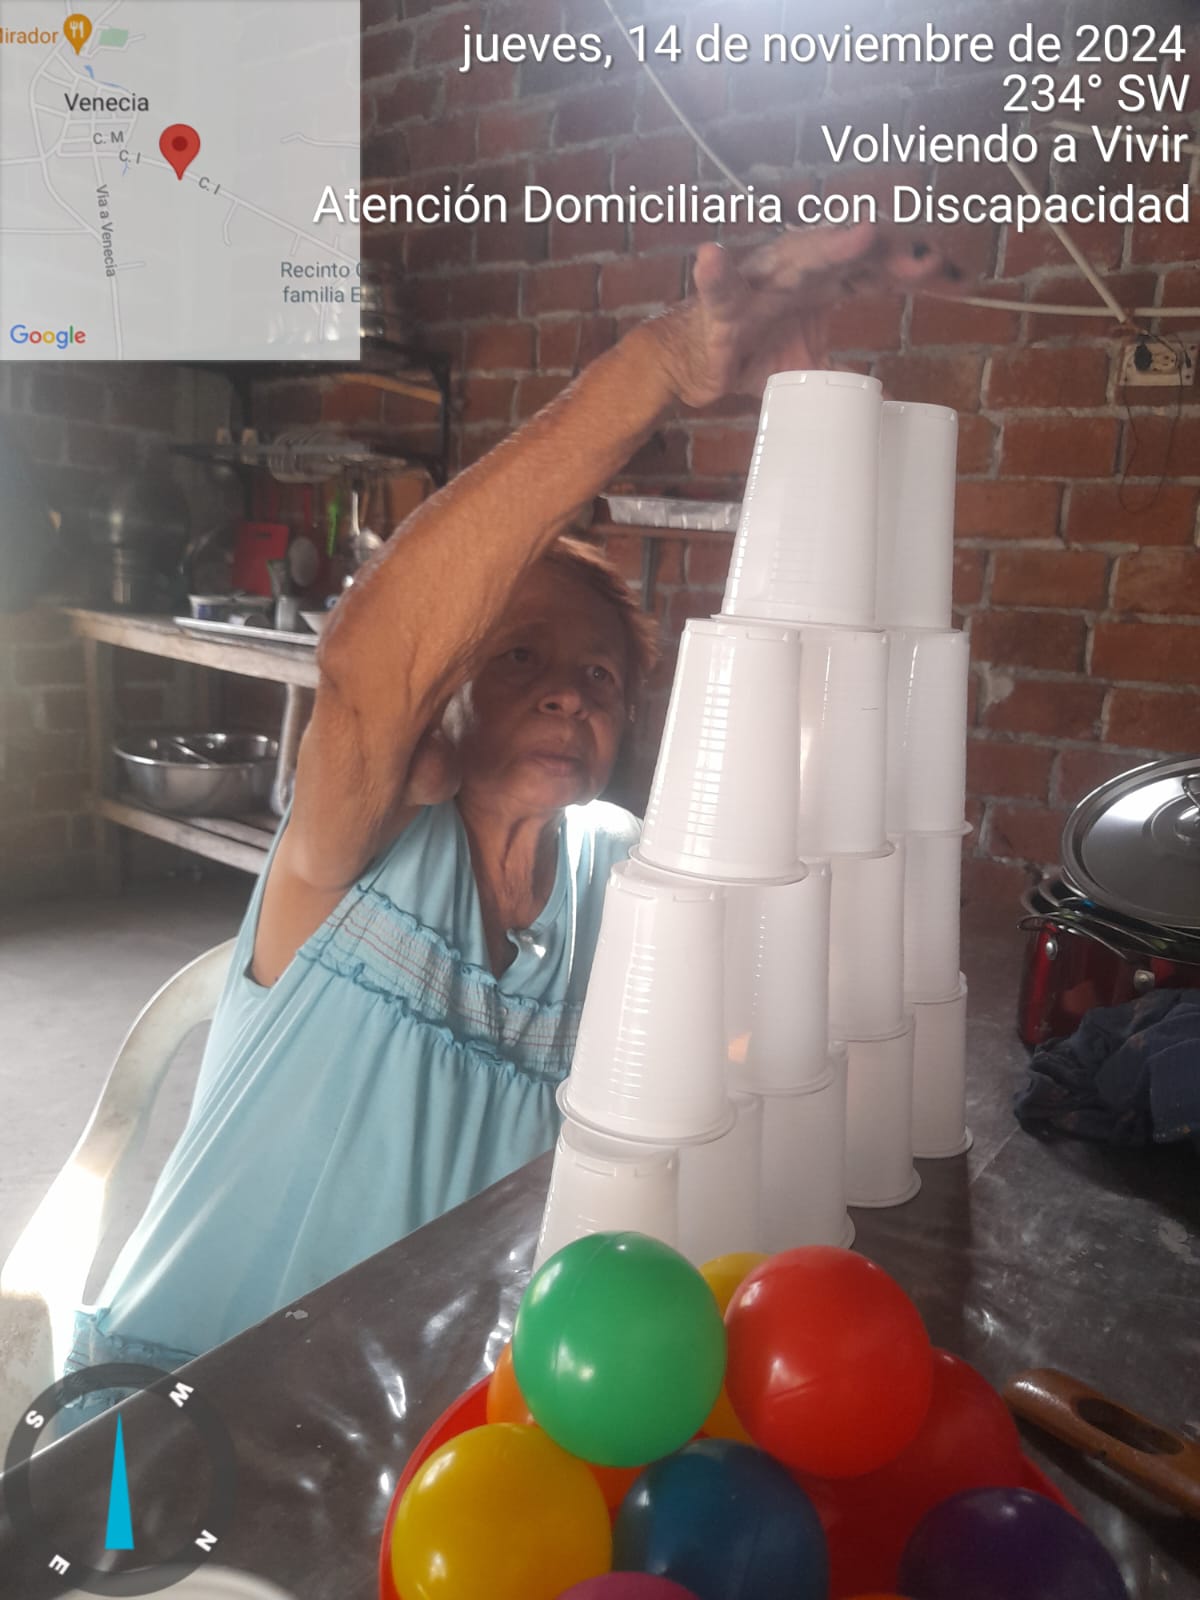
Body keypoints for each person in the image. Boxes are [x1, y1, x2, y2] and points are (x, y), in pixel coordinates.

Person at [67, 221, 957, 1379]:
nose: (567, 695)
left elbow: (793, 903)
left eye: (601, 677)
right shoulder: (361, 842)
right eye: (518, 658)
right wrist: (659, 367)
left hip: (447, 1433)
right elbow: (367, 663)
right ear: (446, 694)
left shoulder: (621, 877)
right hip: (194, 1402)